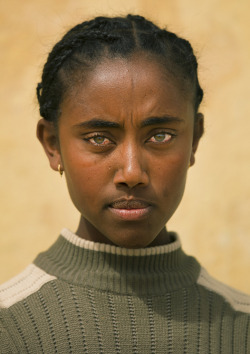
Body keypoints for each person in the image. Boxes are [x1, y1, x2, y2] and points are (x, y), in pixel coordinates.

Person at [0, 14, 249, 353]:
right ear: (53, 144)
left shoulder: (240, 325)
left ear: (194, 140)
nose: (132, 172)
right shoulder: (11, 326)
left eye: (160, 136)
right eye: (99, 138)